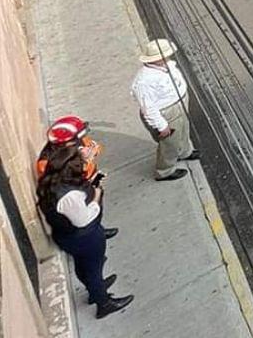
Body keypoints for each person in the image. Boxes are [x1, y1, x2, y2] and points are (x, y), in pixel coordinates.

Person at [37, 145, 134, 318]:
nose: (83, 166)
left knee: (83, 266)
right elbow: (84, 219)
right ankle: (103, 302)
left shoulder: (51, 183)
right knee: (93, 269)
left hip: (67, 237)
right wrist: (96, 195)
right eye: (80, 164)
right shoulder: (69, 196)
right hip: (84, 238)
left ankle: (95, 289)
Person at [130, 39, 199, 181]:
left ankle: (184, 152)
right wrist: (161, 125)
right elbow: (148, 108)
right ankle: (165, 171)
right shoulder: (144, 82)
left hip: (178, 104)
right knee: (170, 143)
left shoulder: (165, 65)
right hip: (166, 111)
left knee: (183, 130)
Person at [36, 116, 104, 184]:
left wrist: (94, 150)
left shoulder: (76, 141)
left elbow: (94, 146)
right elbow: (65, 182)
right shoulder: (46, 164)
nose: (81, 139)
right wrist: (85, 160)